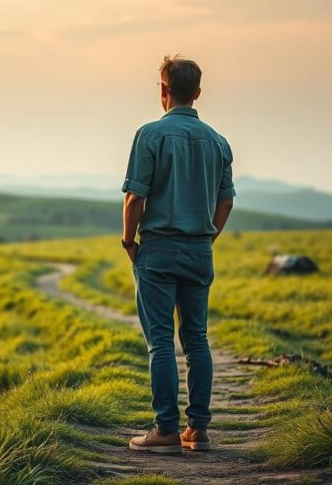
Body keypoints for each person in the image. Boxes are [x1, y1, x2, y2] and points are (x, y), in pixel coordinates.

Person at [122, 55, 235, 454]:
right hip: (200, 249)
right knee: (196, 339)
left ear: (164, 91)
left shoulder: (150, 135)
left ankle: (166, 430)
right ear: (198, 93)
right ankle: (198, 430)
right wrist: (207, 239)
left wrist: (129, 241)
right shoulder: (218, 142)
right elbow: (225, 202)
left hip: (157, 248)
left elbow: (135, 198)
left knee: (160, 341)